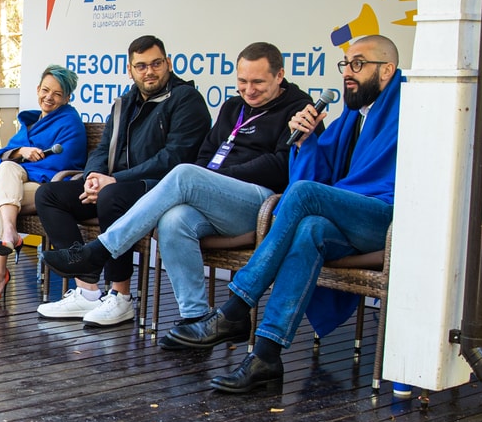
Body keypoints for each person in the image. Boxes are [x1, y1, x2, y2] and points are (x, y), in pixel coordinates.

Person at [178, 35, 403, 394]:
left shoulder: (409, 107)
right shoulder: (354, 113)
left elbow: (323, 187)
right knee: (310, 229)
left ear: (387, 70)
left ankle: (236, 307)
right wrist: (306, 139)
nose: (348, 72)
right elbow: (323, 173)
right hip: (347, 217)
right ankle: (266, 355)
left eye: (358, 64)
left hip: (387, 219)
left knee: (302, 194)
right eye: (346, 64)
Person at [43, 42, 313, 330]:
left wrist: (217, 178)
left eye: (257, 82)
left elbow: (280, 165)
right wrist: (95, 174)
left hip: (260, 202)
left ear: (279, 75)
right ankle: (195, 318)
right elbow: (205, 155)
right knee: (173, 220)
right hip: (215, 200)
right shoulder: (234, 106)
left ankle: (99, 251)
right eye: (242, 81)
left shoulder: (299, 110)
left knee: (182, 174)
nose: (249, 90)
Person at [34, 36, 210, 328]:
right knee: (49, 195)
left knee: (111, 197)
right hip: (115, 184)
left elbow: (175, 158)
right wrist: (93, 177)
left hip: (159, 188)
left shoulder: (186, 99)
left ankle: (121, 296)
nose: (149, 71)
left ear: (168, 63)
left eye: (155, 64)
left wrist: (113, 180)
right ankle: (87, 291)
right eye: (141, 66)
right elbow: (103, 149)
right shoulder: (124, 103)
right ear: (130, 70)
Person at [0, 65, 87, 304]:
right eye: (45, 90)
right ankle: (9, 232)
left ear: (67, 98)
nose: (49, 97)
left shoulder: (70, 123)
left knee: (2, 195)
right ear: (37, 89)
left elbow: (65, 162)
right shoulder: (33, 122)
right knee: (7, 168)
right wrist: (21, 151)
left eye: (57, 94)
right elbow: (2, 155)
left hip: (50, 187)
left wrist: (25, 165)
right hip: (22, 184)